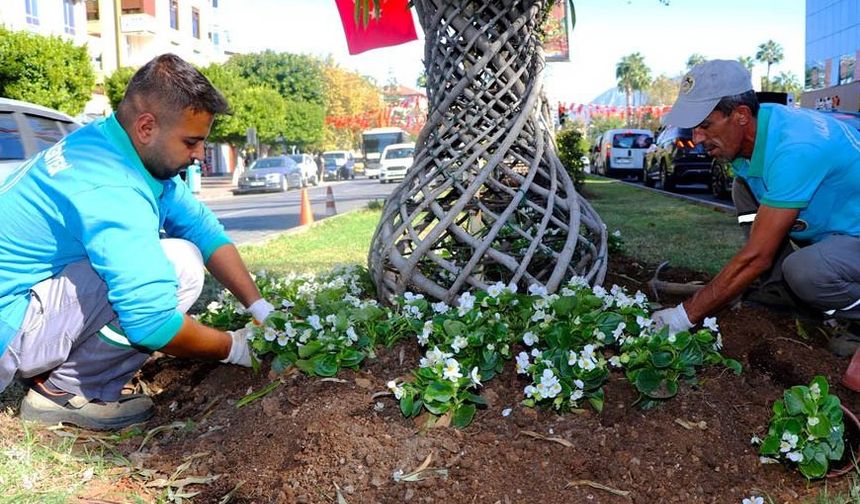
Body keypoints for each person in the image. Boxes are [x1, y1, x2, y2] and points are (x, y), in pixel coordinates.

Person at [0, 54, 274, 430]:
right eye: (191, 142)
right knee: (179, 265)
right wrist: (236, 348)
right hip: (8, 329)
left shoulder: (109, 144)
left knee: (178, 251)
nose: (198, 156)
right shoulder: (111, 185)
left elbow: (203, 229)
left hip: (16, 308)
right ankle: (64, 392)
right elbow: (152, 324)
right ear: (147, 127)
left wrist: (260, 307)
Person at [651, 60, 860, 389]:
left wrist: (682, 316)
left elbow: (757, 255)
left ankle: (854, 321)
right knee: (744, 189)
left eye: (705, 125)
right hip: (838, 228)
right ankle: (779, 292)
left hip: (853, 234)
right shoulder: (754, 136)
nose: (697, 138)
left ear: (741, 116)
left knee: (806, 271)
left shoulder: (796, 148)